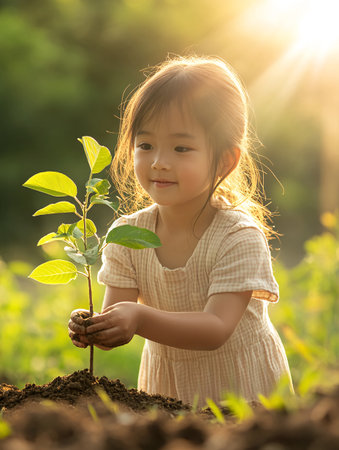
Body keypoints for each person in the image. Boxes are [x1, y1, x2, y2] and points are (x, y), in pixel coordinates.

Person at [68, 56, 293, 408]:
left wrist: (138, 317)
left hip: (244, 391)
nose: (159, 161)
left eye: (181, 148)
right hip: (166, 388)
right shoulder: (127, 235)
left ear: (224, 161)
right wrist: (94, 327)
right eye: (145, 145)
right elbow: (118, 319)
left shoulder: (238, 236)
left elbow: (215, 328)